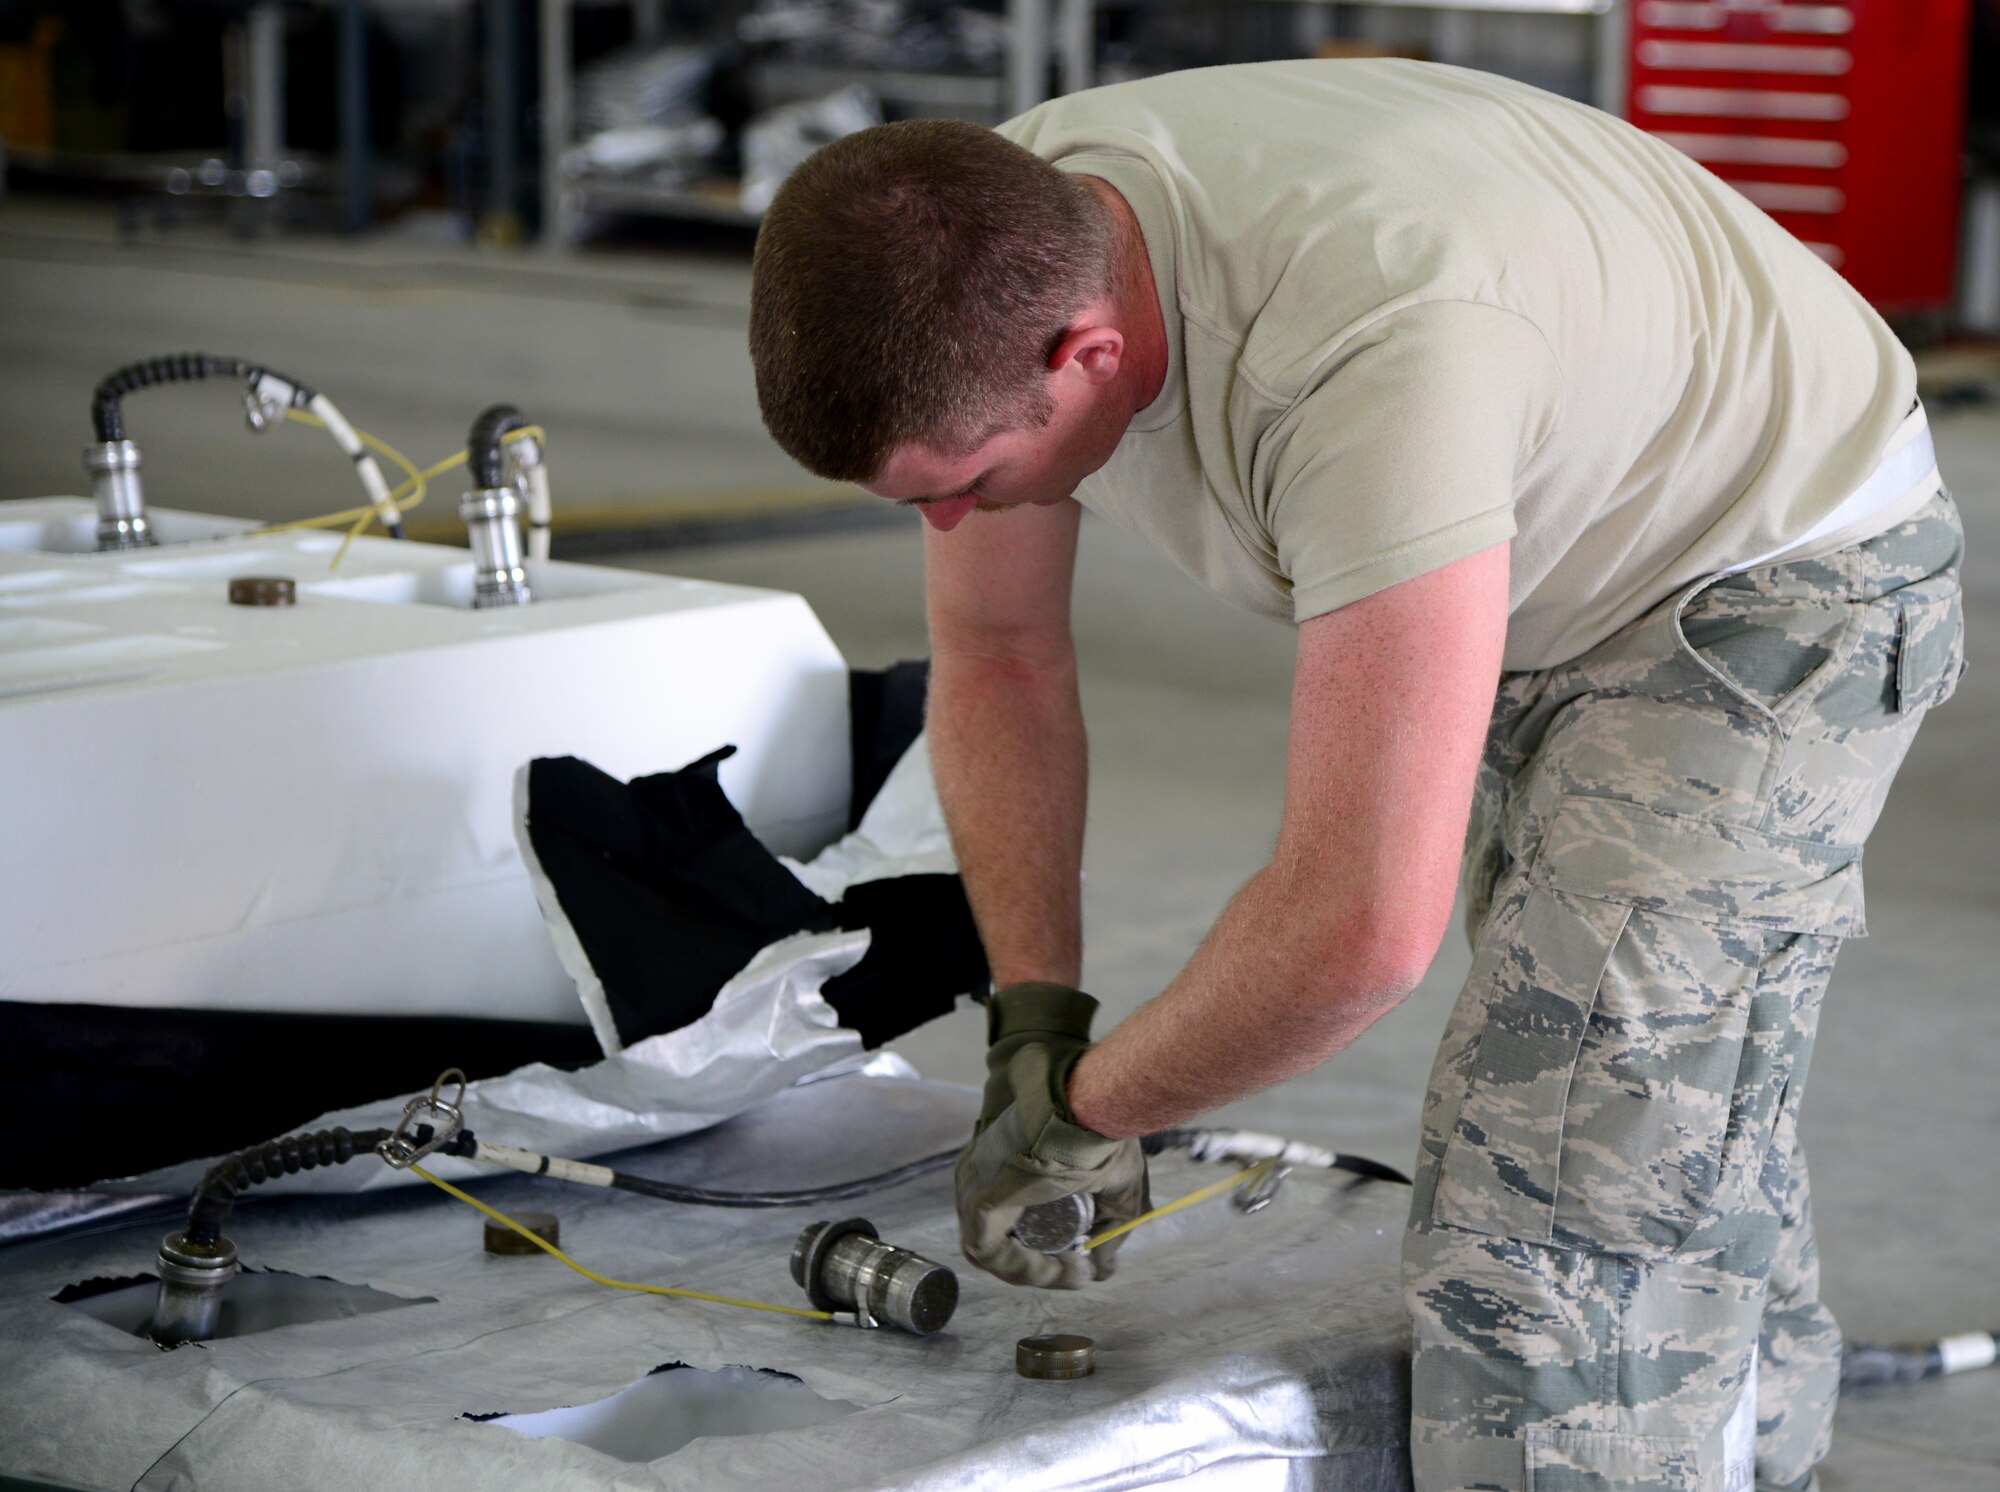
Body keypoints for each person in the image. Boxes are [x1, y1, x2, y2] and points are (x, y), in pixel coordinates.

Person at [745, 59, 1964, 1492]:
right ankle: (1759, 1456)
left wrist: (1087, 1110)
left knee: (1557, 1189)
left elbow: (1353, 929)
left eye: (960, 483)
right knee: (1656, 1092)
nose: (950, 521)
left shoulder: (1368, 357)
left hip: (1765, 571)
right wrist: (1035, 1021)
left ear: (1087, 352)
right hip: (1552, 501)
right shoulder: (986, 243)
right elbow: (1001, 658)